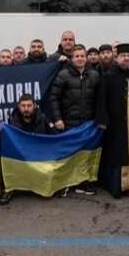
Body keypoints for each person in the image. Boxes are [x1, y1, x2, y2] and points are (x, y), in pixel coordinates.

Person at [49, 45, 105, 196]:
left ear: (86, 58)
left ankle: (83, 183)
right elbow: (54, 98)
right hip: (69, 123)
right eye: (77, 56)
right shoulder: (63, 75)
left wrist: (99, 119)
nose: (80, 59)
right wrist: (58, 119)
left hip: (89, 123)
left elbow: (100, 100)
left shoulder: (94, 75)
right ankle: (64, 184)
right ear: (72, 59)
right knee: (68, 155)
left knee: (85, 155)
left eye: (82, 56)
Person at [98, 44, 129, 199]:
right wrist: (102, 119)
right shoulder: (109, 75)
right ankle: (118, 187)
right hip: (115, 123)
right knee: (116, 155)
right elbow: (101, 99)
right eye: (123, 56)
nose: (126, 59)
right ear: (117, 58)